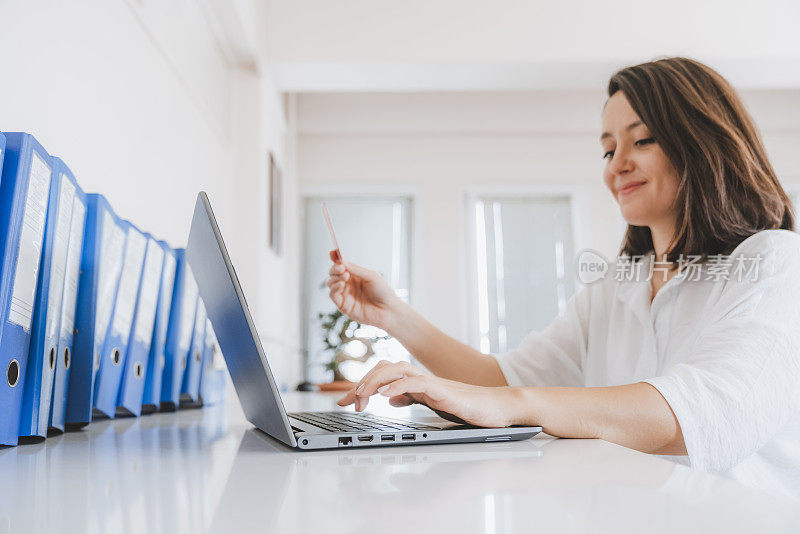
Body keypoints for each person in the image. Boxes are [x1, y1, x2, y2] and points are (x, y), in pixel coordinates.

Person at [325, 57, 800, 495]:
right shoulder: (618, 285)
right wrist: (396, 317)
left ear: (701, 140)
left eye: (643, 140)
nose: (618, 165)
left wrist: (516, 403)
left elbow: (704, 411)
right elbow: (501, 381)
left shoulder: (775, 261)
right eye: (608, 150)